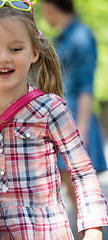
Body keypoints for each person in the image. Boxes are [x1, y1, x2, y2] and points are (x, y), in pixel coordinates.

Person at [0, 0, 108, 239]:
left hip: (42, 232)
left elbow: (82, 172)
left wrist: (93, 230)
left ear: (34, 52)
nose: (4, 58)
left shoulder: (51, 109)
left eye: (15, 49)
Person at [42, 0, 107, 228]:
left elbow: (86, 88)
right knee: (69, 186)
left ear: (49, 6)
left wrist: (81, 133)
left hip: (77, 121)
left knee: (82, 187)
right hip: (62, 120)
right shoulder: (62, 37)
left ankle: (91, 230)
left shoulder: (81, 35)